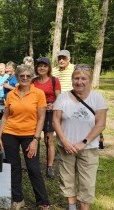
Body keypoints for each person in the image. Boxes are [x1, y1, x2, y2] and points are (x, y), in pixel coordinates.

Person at [52, 64, 107, 210]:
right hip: (66, 146)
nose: (79, 82)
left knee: (87, 183)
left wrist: (83, 142)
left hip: (89, 147)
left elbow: (100, 124)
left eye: (84, 78)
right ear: (72, 79)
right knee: (67, 178)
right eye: (76, 78)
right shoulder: (63, 98)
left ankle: (84, 207)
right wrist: (64, 141)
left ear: (90, 80)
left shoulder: (97, 98)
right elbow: (55, 121)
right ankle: (71, 207)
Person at [0, 64, 50, 209]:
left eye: (28, 76)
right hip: (10, 134)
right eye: (22, 76)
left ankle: (43, 201)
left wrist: (35, 140)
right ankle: (18, 199)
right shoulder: (11, 94)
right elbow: (5, 117)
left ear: (32, 77)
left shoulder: (38, 93)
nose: (25, 78)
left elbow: (41, 118)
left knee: (33, 168)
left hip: (29, 136)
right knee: (14, 167)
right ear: (17, 77)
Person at [33, 57, 61, 179]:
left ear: (49, 68)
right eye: (40, 65)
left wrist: (53, 105)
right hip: (36, 113)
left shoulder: (54, 80)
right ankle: (35, 164)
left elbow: (59, 98)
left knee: (48, 140)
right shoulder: (33, 81)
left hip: (50, 112)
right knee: (35, 138)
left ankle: (49, 166)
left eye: (45, 66)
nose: (42, 68)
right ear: (36, 67)